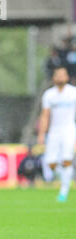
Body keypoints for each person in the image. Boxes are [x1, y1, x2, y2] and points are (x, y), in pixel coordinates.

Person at [37, 66, 76, 202]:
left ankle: (63, 192)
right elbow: (45, 116)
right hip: (54, 131)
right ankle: (66, 178)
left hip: (69, 130)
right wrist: (41, 134)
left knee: (66, 160)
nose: (60, 77)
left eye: (62, 75)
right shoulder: (49, 94)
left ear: (67, 77)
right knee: (51, 163)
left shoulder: (73, 93)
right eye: (57, 75)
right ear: (54, 78)